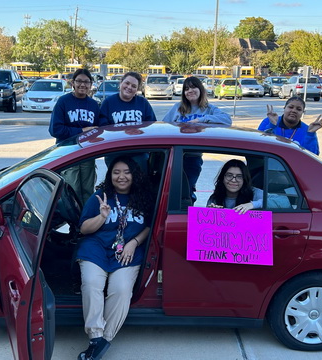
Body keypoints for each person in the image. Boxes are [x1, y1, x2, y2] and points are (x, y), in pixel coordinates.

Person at [75, 156, 153, 360]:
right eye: (116, 172)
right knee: (92, 284)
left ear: (134, 175)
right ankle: (96, 338)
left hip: (128, 251)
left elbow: (150, 227)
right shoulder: (100, 197)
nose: (121, 176)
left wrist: (134, 242)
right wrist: (101, 216)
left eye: (126, 172)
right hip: (97, 248)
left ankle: (103, 340)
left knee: (121, 290)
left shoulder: (143, 197)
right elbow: (83, 229)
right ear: (110, 175)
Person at [162, 76, 232, 203]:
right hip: (173, 156)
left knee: (186, 191)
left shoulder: (209, 109)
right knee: (170, 191)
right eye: (187, 88)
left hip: (192, 157)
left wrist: (201, 120)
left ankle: (185, 214)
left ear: (200, 89)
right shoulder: (177, 108)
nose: (190, 91)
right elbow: (163, 127)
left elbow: (227, 120)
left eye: (193, 87)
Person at [49, 68, 107, 205]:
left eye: (87, 82)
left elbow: (99, 128)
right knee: (72, 192)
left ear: (91, 84)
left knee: (88, 192)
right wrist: (81, 130)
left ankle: (86, 222)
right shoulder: (63, 102)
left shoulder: (93, 104)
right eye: (79, 81)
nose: (83, 85)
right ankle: (74, 225)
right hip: (68, 152)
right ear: (72, 83)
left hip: (87, 153)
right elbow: (55, 129)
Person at [257, 96, 322, 155]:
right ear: (284, 108)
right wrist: (272, 126)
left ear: (303, 113)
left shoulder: (307, 130)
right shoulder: (269, 121)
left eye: (298, 109)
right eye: (290, 107)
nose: (294, 111)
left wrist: (310, 135)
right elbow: (258, 146)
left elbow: (313, 156)